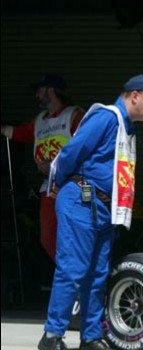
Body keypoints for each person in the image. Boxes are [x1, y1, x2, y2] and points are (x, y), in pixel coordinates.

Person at [37, 74, 143, 350]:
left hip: (104, 206)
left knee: (97, 275)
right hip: (82, 200)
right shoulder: (107, 118)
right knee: (73, 269)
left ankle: (91, 337)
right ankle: (52, 335)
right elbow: (72, 151)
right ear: (134, 95)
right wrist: (61, 181)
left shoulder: (126, 126)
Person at [1, 74, 84, 261]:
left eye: (40, 90)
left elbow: (88, 148)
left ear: (51, 90)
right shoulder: (39, 120)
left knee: (76, 235)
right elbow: (21, 133)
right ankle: (70, 273)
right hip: (49, 187)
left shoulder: (75, 115)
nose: (37, 95)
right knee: (48, 238)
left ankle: (79, 276)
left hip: (74, 185)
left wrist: (58, 167)